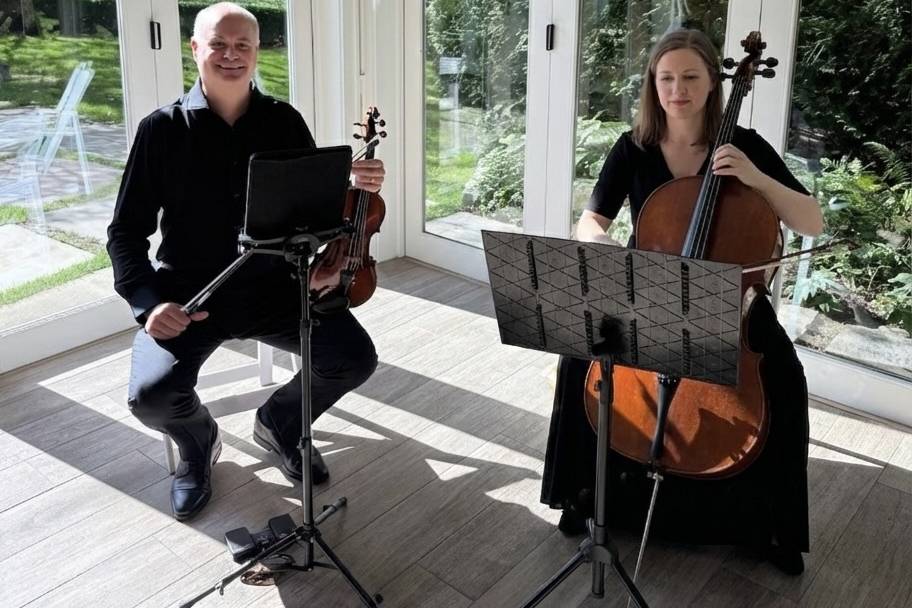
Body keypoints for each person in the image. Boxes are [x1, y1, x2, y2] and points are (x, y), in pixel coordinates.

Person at [540, 29, 823, 575]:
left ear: (713, 82)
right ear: (653, 85)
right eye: (666, 78)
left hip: (728, 296)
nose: (677, 89)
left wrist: (757, 177)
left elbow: (811, 220)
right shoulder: (634, 147)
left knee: (784, 378)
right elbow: (591, 221)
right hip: (651, 289)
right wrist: (600, 248)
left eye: (690, 76)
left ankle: (772, 525)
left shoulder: (742, 146)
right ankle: (584, 494)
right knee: (580, 357)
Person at [107, 2, 385, 521]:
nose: (230, 55)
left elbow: (319, 217)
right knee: (152, 396)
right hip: (192, 294)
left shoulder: (283, 121)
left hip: (278, 288)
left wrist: (341, 224)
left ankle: (280, 422)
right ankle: (198, 442)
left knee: (352, 357)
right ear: (196, 49)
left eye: (243, 46)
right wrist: (148, 306)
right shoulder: (161, 130)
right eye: (218, 44)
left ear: (258, 53)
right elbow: (124, 233)